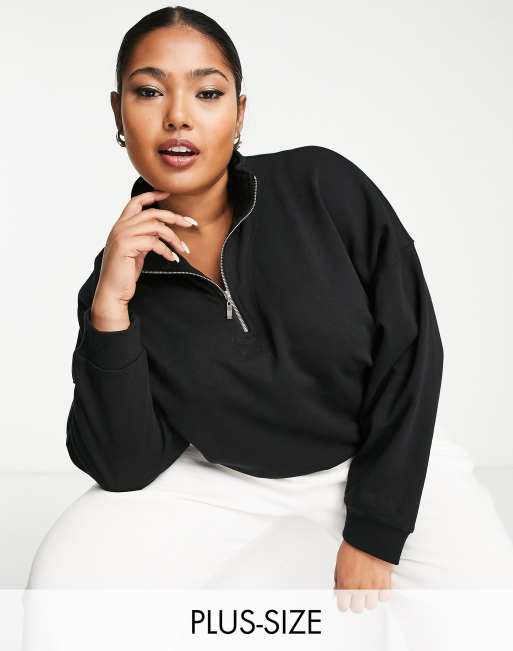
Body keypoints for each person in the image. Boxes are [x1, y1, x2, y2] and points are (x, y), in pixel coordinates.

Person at [26, 6, 513, 613]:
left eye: (207, 93)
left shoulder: (323, 186)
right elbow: (123, 467)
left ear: (239, 113)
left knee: (489, 612)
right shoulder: (115, 284)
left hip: (383, 461)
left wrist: (375, 530)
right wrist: (110, 310)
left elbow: (412, 349)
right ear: (118, 115)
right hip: (224, 486)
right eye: (149, 91)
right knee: (64, 581)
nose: (178, 116)